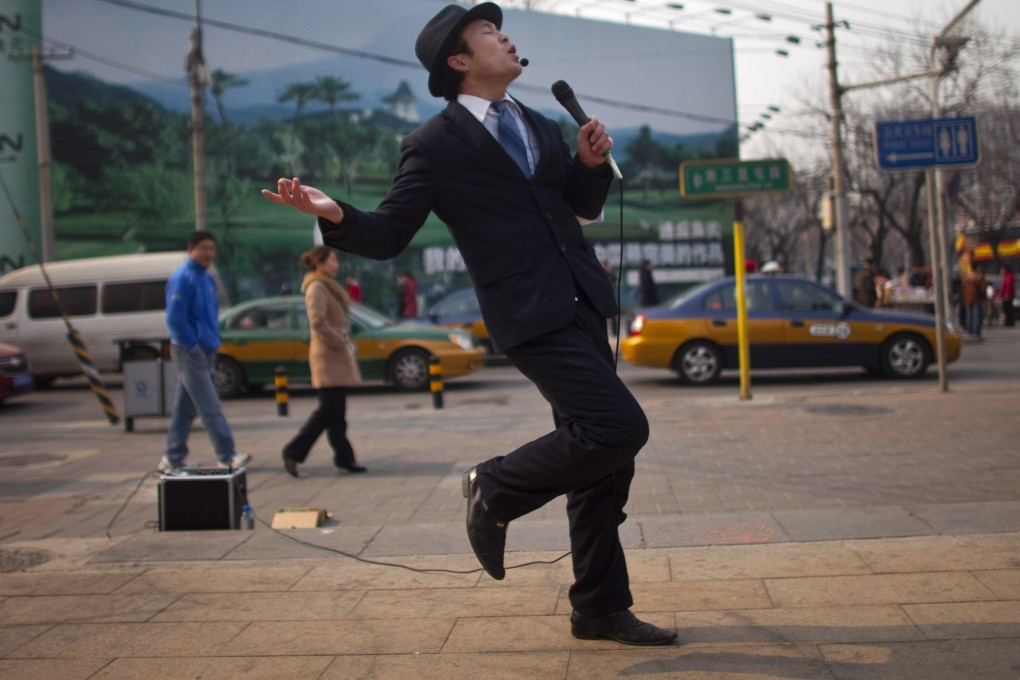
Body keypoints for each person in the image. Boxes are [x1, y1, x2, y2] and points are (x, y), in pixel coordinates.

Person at [262, 3, 676, 647]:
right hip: (529, 312)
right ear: (459, 61)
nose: (504, 35)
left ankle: (599, 607)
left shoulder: (537, 123)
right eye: (488, 31)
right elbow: (392, 232)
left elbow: (576, 210)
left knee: (605, 462)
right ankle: (496, 486)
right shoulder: (433, 144)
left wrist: (589, 166)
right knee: (619, 426)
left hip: (585, 301)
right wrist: (334, 211)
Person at [159, 231, 250, 473]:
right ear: (191, 250)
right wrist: (192, 344)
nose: (208, 253)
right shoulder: (183, 278)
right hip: (189, 351)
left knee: (185, 407)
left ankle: (173, 455)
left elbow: (208, 317)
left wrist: (210, 343)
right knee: (210, 405)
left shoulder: (207, 279)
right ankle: (226, 454)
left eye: (211, 248)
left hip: (205, 349)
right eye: (203, 248)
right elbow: (175, 318)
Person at [282, 246, 366, 477]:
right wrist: (339, 340)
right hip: (327, 355)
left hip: (334, 354)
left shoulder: (327, 285)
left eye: (336, 260)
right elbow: (317, 321)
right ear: (319, 262)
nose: (335, 264)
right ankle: (292, 451)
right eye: (332, 260)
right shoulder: (317, 287)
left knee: (336, 412)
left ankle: (345, 459)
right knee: (327, 411)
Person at [962, 268, 987, 339]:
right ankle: (976, 332)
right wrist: (984, 297)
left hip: (967, 298)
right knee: (977, 316)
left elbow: (963, 288)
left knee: (969, 315)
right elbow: (982, 288)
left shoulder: (966, 277)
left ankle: (969, 330)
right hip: (976, 298)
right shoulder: (979, 277)